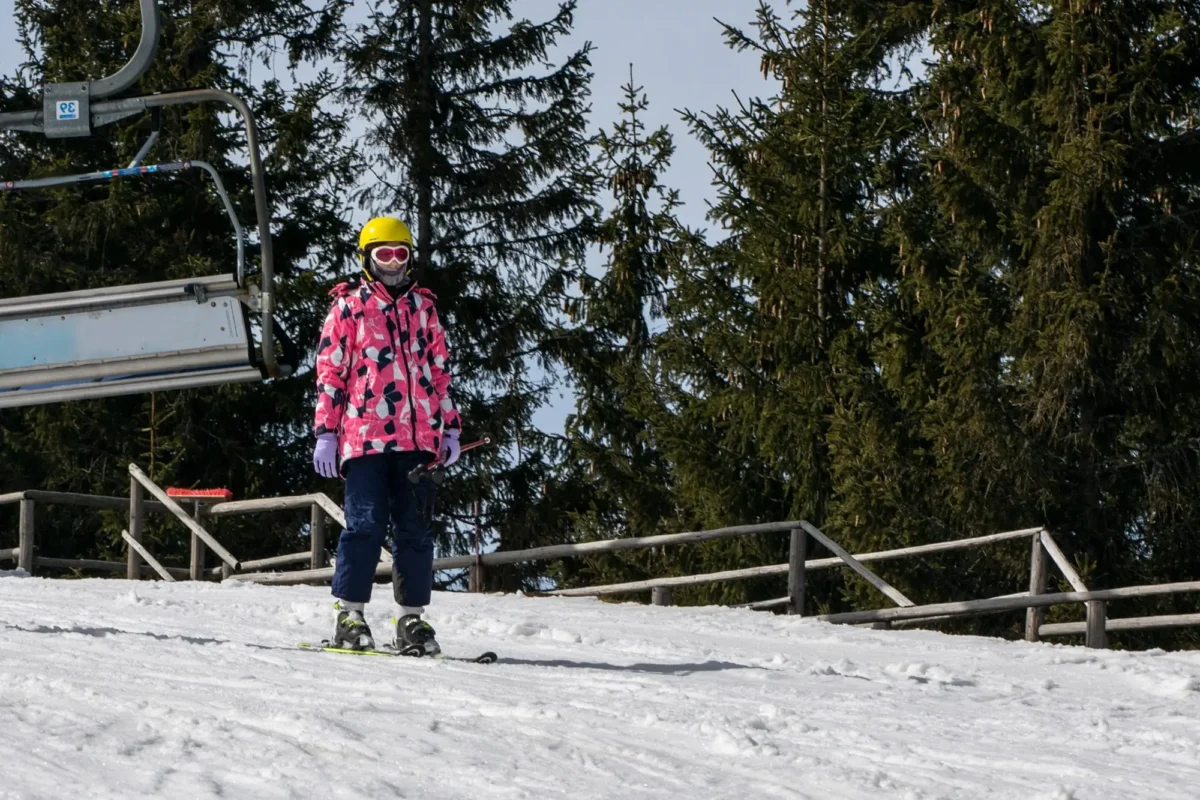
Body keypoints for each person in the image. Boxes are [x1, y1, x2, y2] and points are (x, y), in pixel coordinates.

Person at [311, 216, 462, 653]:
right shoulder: (348, 307)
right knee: (365, 525)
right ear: (367, 258)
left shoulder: (424, 308)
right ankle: (350, 615)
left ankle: (411, 619)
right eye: (384, 254)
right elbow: (330, 372)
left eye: (400, 254)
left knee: (415, 529)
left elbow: (440, 373)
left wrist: (450, 428)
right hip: (364, 438)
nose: (393, 263)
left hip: (418, 440)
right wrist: (326, 431)